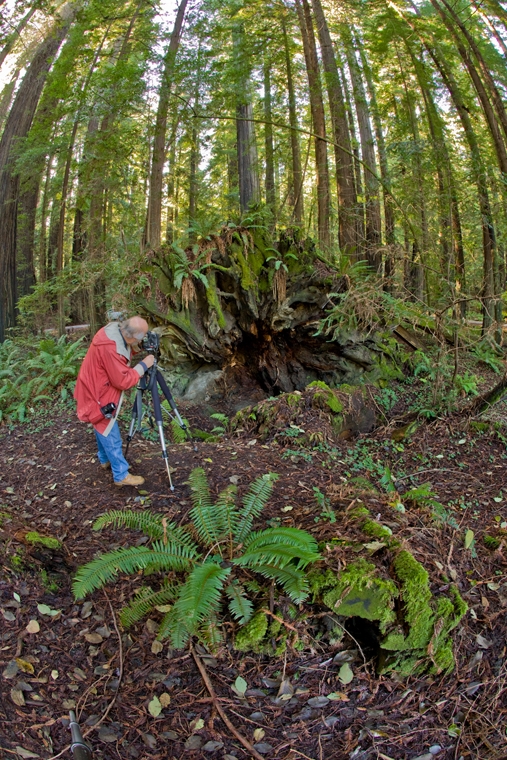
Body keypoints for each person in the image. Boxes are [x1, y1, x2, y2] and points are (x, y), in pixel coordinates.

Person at [74, 316, 155, 487]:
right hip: (99, 395)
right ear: (133, 336)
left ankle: (104, 460)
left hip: (92, 386)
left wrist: (136, 349)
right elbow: (122, 381)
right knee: (109, 430)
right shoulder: (111, 348)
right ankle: (121, 474)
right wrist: (144, 365)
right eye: (143, 336)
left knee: (99, 425)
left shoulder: (112, 331)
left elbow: (122, 352)